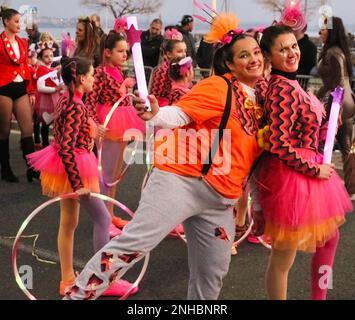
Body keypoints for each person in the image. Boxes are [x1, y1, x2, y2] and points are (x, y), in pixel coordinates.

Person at [63, 13, 266, 300]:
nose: (253, 59)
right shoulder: (219, 86)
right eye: (244, 55)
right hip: (180, 181)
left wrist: (258, 205)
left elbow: (255, 160)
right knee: (133, 245)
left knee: (212, 273)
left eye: (256, 52)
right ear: (230, 64)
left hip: (222, 200)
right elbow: (180, 113)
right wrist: (156, 113)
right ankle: (76, 297)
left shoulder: (265, 101)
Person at [253, 25, 352, 300]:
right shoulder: (281, 89)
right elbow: (277, 142)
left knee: (329, 239)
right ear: (268, 56)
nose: (291, 53)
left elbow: (302, 130)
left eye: (293, 46)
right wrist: (313, 168)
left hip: (310, 175)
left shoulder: (292, 83)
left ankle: (319, 297)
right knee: (283, 258)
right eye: (282, 49)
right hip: (292, 179)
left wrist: (327, 126)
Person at [27, 56, 138, 297]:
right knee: (102, 220)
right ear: (80, 78)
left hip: (67, 167)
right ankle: (103, 279)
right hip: (75, 168)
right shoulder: (74, 105)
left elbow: (74, 130)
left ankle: (67, 278)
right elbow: (66, 146)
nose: (94, 78)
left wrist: (94, 128)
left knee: (69, 223)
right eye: (91, 75)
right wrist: (78, 185)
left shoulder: (70, 99)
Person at [86, 30, 144, 229]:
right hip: (107, 124)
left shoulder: (118, 72)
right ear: (107, 52)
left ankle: (109, 215)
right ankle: (103, 220)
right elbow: (90, 100)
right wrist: (94, 123)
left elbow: (122, 98)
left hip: (121, 121)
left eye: (125, 51)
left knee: (115, 175)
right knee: (106, 175)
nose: (124, 55)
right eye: (120, 51)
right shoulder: (100, 73)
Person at [0, 6, 39, 183]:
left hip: (21, 87)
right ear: (6, 22)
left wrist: (31, 90)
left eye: (20, 21)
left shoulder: (23, 42)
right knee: (4, 130)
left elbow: (25, 67)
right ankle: (5, 169)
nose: (19, 24)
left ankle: (32, 168)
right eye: (16, 21)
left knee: (27, 129)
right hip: (3, 88)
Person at [317, 16, 355, 197]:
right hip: (344, 101)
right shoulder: (339, 51)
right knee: (345, 147)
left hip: (337, 103)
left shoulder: (332, 52)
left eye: (323, 29)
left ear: (331, 31)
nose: (319, 33)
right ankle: (349, 188)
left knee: (328, 145)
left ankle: (337, 188)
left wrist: (318, 97)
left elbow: (335, 82)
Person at [35, 42, 64, 147]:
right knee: (46, 122)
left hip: (54, 98)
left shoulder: (51, 69)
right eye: (46, 56)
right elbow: (40, 87)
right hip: (46, 99)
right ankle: (45, 144)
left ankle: (52, 143)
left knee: (53, 121)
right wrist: (55, 89)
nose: (50, 58)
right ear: (41, 58)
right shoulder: (42, 69)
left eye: (51, 56)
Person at [150, 28, 187, 106]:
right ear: (169, 54)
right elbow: (154, 93)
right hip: (164, 108)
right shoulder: (162, 69)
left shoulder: (182, 68)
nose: (184, 54)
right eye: (179, 51)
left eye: (185, 51)